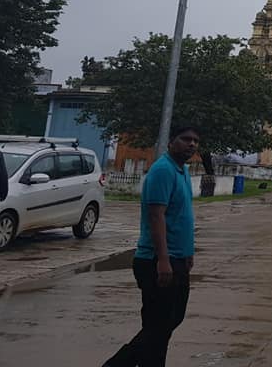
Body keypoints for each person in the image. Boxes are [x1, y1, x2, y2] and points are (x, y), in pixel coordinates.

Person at [105, 126, 200, 367]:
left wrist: (188, 253)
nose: (191, 144)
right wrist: (163, 260)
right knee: (158, 326)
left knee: (168, 322)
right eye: (185, 139)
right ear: (171, 141)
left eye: (195, 141)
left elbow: (182, 215)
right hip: (156, 260)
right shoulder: (163, 170)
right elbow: (156, 216)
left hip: (178, 258)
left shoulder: (182, 170)